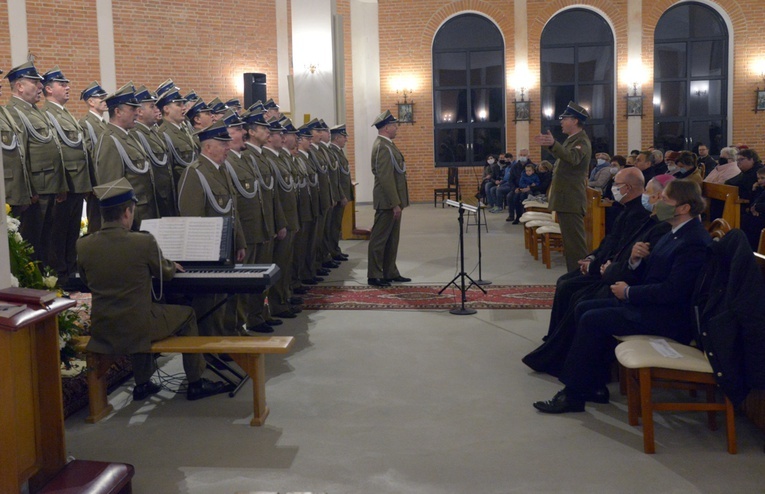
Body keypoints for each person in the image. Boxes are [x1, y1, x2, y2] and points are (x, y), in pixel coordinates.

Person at [533, 180, 711, 413]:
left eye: (665, 199)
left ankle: (573, 395)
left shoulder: (693, 242)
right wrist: (635, 260)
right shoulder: (675, 232)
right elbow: (655, 271)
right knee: (584, 306)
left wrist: (628, 292)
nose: (658, 203)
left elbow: (673, 291)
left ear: (684, 208)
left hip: (669, 317)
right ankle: (594, 385)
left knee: (592, 318)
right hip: (653, 305)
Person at [77, 177, 226, 402]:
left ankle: (143, 383)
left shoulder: (84, 244)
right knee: (187, 315)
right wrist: (170, 265)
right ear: (127, 212)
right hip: (138, 326)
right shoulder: (142, 242)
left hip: (104, 326)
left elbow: (87, 282)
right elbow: (166, 273)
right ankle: (196, 381)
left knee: (139, 310)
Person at [522, 167, 655, 376]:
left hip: (615, 274)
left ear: (628, 187)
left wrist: (596, 266)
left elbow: (621, 251)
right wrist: (591, 258)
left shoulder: (640, 215)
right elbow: (608, 243)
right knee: (565, 282)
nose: (613, 189)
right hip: (607, 267)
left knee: (573, 292)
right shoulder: (625, 209)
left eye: (616, 185)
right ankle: (555, 339)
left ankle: (560, 351)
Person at [177, 120, 246, 338]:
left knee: (225, 298)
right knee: (209, 303)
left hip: (226, 247)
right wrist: (201, 256)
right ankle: (209, 348)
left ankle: (224, 338)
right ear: (208, 147)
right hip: (208, 252)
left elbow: (233, 210)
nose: (228, 147)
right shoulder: (195, 173)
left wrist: (239, 241)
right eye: (222, 143)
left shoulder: (222, 169)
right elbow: (191, 219)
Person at [6, 61, 66, 265]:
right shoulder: (14, 111)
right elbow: (22, 155)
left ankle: (48, 283)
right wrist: (29, 189)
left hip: (49, 185)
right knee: (32, 242)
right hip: (36, 190)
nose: (40, 87)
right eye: (35, 82)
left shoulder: (35, 111)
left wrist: (60, 184)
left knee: (47, 240)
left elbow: (55, 147)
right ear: (20, 86)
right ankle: (35, 287)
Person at [533, 101, 592, 271]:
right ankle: (574, 278)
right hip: (566, 200)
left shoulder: (582, 142)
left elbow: (572, 158)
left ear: (575, 121)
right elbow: (566, 157)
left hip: (571, 200)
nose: (561, 122)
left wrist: (553, 144)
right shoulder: (571, 140)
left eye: (565, 118)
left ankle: (579, 281)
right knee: (570, 245)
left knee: (576, 247)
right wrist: (552, 146)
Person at [95, 83, 158, 228]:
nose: (137, 112)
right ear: (117, 111)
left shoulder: (128, 136)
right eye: (132, 109)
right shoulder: (109, 141)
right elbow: (112, 189)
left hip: (143, 213)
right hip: (129, 219)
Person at [367, 110, 410, 287]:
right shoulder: (382, 147)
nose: (396, 128)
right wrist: (394, 203)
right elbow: (385, 177)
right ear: (386, 128)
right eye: (394, 125)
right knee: (380, 239)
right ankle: (375, 274)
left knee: (392, 239)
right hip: (387, 202)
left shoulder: (388, 145)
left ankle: (389, 271)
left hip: (392, 201)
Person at [131, 86, 177, 217]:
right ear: (139, 111)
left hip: (166, 196)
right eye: (152, 106)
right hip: (154, 200)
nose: (157, 109)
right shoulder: (136, 135)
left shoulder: (153, 133)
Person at [0, 67, 32, 224]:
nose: (0, 84)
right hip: (5, 189)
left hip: (14, 190)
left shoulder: (4, 113)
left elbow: (20, 152)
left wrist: (25, 191)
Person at [78, 81, 109, 232]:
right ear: (91, 102)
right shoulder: (86, 123)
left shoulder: (103, 123)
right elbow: (88, 154)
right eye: (101, 99)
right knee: (96, 222)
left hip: (105, 179)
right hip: (96, 182)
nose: (105, 102)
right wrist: (90, 183)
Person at [329, 124, 353, 261]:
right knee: (334, 226)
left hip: (341, 194)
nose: (346, 140)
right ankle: (332, 251)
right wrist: (341, 195)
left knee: (337, 225)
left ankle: (335, 249)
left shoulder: (338, 152)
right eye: (344, 137)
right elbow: (335, 177)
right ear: (337, 137)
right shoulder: (332, 152)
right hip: (338, 196)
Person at [740, 167, 765, 250]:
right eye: (758, 178)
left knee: (752, 222)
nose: (759, 180)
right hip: (758, 213)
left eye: (762, 178)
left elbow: (758, 204)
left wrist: (755, 207)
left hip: (762, 215)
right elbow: (754, 201)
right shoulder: (761, 189)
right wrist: (754, 190)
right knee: (745, 219)